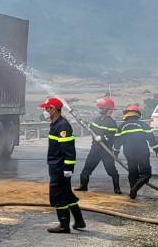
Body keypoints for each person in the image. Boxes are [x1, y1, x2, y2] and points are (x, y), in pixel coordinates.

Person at [38, 97, 86, 233]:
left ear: (53, 109)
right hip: (56, 166)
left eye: (46, 108)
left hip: (59, 168)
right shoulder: (55, 124)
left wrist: (68, 169)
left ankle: (64, 225)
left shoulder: (62, 126)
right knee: (66, 194)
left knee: (57, 195)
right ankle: (79, 221)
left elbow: (69, 150)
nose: (44, 111)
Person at [76, 96, 121, 194]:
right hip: (95, 149)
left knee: (111, 170)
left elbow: (112, 136)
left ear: (107, 109)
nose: (99, 109)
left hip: (106, 150)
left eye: (101, 108)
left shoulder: (112, 122)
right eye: (99, 108)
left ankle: (117, 189)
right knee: (87, 168)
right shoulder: (97, 119)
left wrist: (102, 137)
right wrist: (83, 123)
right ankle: (83, 186)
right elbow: (91, 128)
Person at [117, 104, 158, 199]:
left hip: (129, 153)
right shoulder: (143, 125)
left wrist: (115, 152)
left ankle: (133, 192)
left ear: (126, 114)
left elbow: (117, 141)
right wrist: (156, 148)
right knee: (146, 174)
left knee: (133, 173)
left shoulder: (122, 126)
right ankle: (135, 188)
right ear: (138, 114)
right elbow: (151, 138)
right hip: (142, 152)